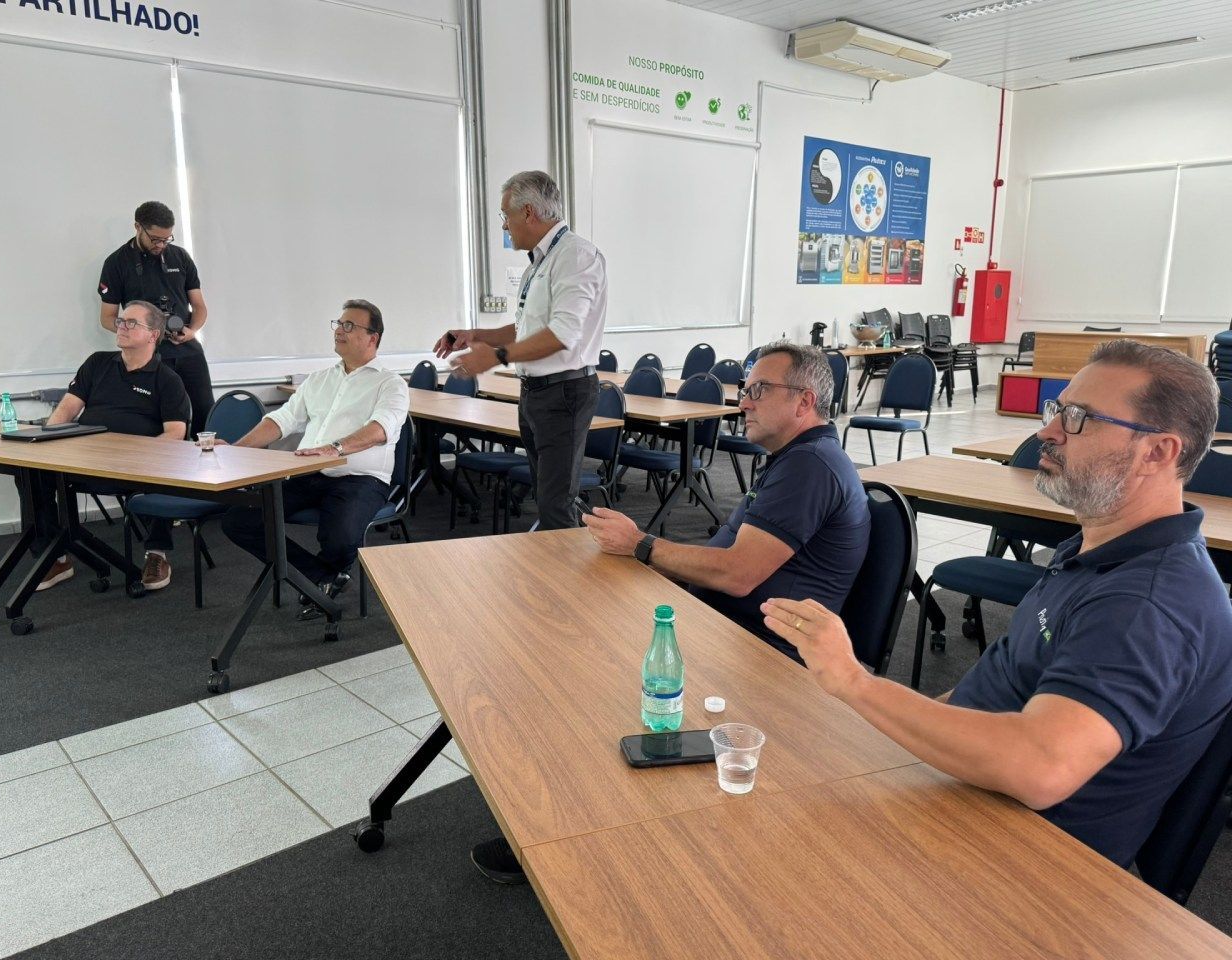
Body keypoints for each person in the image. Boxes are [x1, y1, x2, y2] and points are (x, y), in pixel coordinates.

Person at [764, 340, 1232, 868]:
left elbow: (1041, 767)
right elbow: (1002, 683)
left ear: (1158, 452)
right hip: (963, 801)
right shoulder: (1092, 552)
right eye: (1057, 410)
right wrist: (892, 731)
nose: (1047, 432)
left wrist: (854, 683)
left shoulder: (1148, 605)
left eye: (1079, 419)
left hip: (1017, 864)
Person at [585, 342, 870, 665]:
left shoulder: (810, 466)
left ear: (805, 401)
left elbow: (738, 574)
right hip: (725, 631)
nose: (743, 403)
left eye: (759, 390)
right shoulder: (798, 458)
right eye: (745, 390)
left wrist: (640, 544)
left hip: (761, 655)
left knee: (592, 647)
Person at [434, 170, 607, 531]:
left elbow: (563, 333)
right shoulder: (538, 264)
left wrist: (497, 357)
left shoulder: (575, 256)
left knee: (556, 505)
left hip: (565, 392)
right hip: (536, 394)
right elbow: (525, 328)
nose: (503, 226)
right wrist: (476, 335)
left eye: (505, 216)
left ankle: (570, 585)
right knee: (546, 499)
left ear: (528, 212)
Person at [220, 299, 408, 619]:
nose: (339, 330)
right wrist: (238, 448)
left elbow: (380, 430)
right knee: (239, 520)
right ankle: (321, 576)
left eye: (350, 326)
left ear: (372, 337)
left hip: (361, 478)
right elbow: (281, 421)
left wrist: (334, 449)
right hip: (310, 471)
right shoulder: (319, 378)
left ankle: (321, 576)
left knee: (340, 537)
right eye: (338, 323)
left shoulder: (391, 384)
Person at [32, 300, 190, 592]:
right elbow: (67, 409)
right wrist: (48, 441)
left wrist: (140, 455)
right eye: (121, 320)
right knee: (33, 473)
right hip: (87, 458)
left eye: (132, 323)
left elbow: (175, 433)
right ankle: (56, 555)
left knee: (165, 463)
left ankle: (157, 554)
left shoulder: (167, 380)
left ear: (153, 335)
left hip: (137, 465)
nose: (122, 326)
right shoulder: (97, 363)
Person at [98, 200, 214, 435]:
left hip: (187, 350)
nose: (161, 245)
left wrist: (191, 331)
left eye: (167, 239)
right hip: (148, 355)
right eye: (155, 239)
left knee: (206, 412)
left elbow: (200, 307)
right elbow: (108, 317)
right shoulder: (117, 263)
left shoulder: (180, 257)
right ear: (137, 227)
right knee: (157, 419)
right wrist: (138, 332)